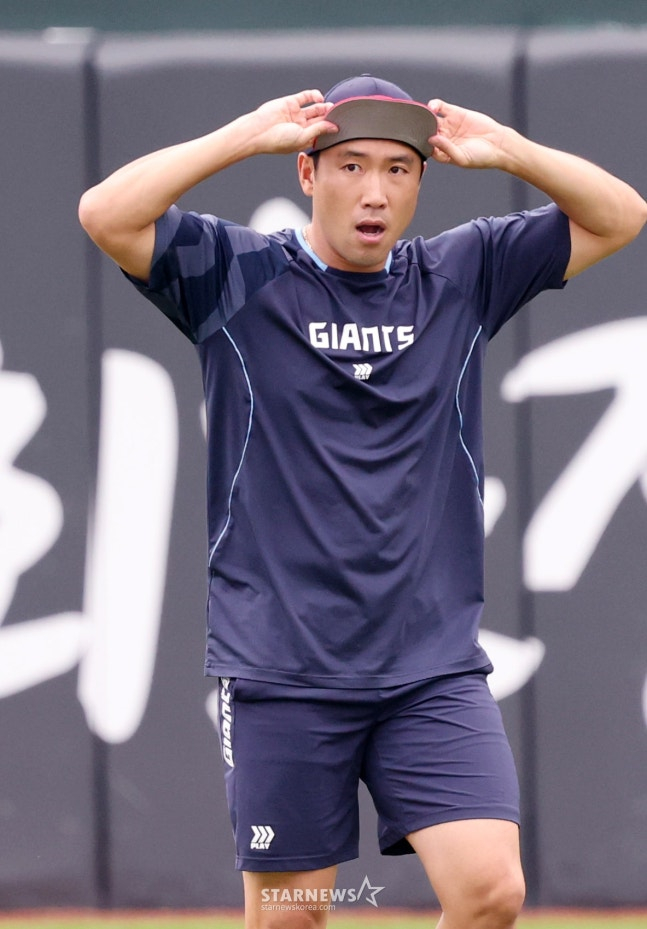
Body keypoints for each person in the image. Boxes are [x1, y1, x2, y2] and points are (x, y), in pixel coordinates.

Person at [78, 73, 646, 929]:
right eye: (349, 166)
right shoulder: (237, 274)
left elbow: (619, 215)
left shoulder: (462, 272)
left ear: (420, 181)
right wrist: (243, 136)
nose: (374, 192)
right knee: (290, 916)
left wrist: (509, 151)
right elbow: (106, 214)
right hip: (282, 667)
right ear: (307, 173)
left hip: (429, 668)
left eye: (397, 169)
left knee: (490, 890)